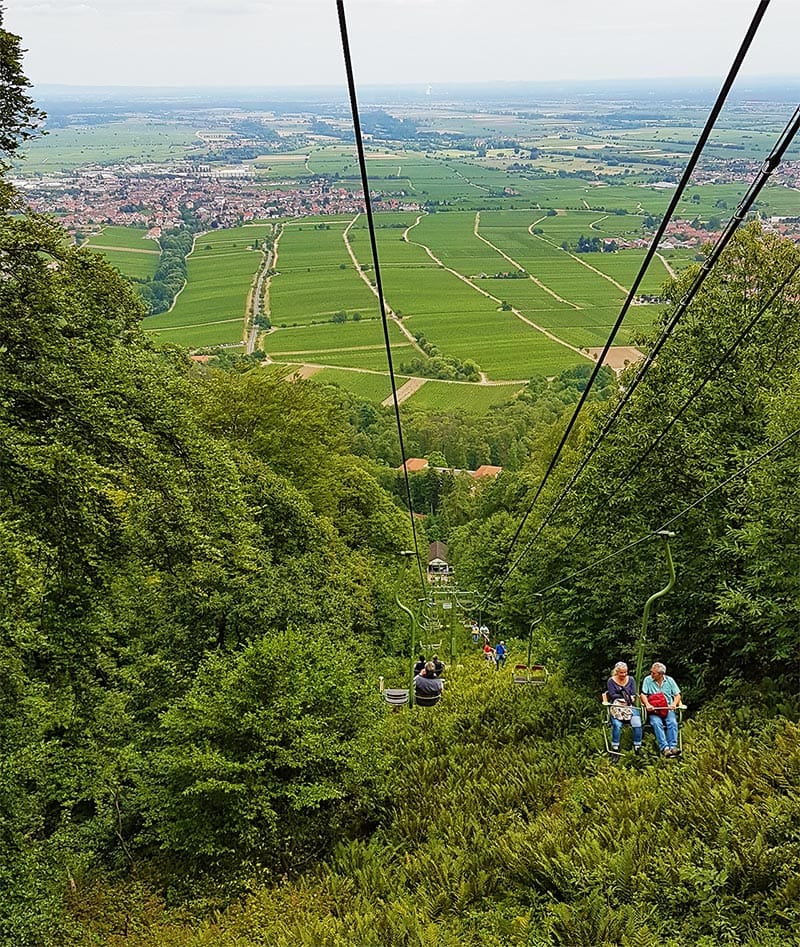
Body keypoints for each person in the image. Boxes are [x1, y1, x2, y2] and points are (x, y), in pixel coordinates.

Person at [641, 662, 682, 757]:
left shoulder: (670, 680)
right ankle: (665, 748)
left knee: (672, 722)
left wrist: (674, 704)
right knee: (656, 723)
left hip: (667, 708)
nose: (651, 674)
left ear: (661, 674)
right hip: (654, 709)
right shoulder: (648, 680)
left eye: (653, 673)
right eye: (651, 672)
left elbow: (677, 695)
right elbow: (643, 694)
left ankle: (673, 747)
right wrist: (647, 704)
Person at [604, 661, 642, 757]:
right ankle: (615, 748)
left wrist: (627, 698)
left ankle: (637, 747)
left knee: (637, 723)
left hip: (629, 705)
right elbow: (613, 695)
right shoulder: (611, 681)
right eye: (621, 673)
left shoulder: (631, 680)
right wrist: (625, 697)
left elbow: (633, 693)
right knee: (617, 725)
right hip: (617, 706)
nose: (624, 674)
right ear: (617, 672)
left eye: (625, 672)